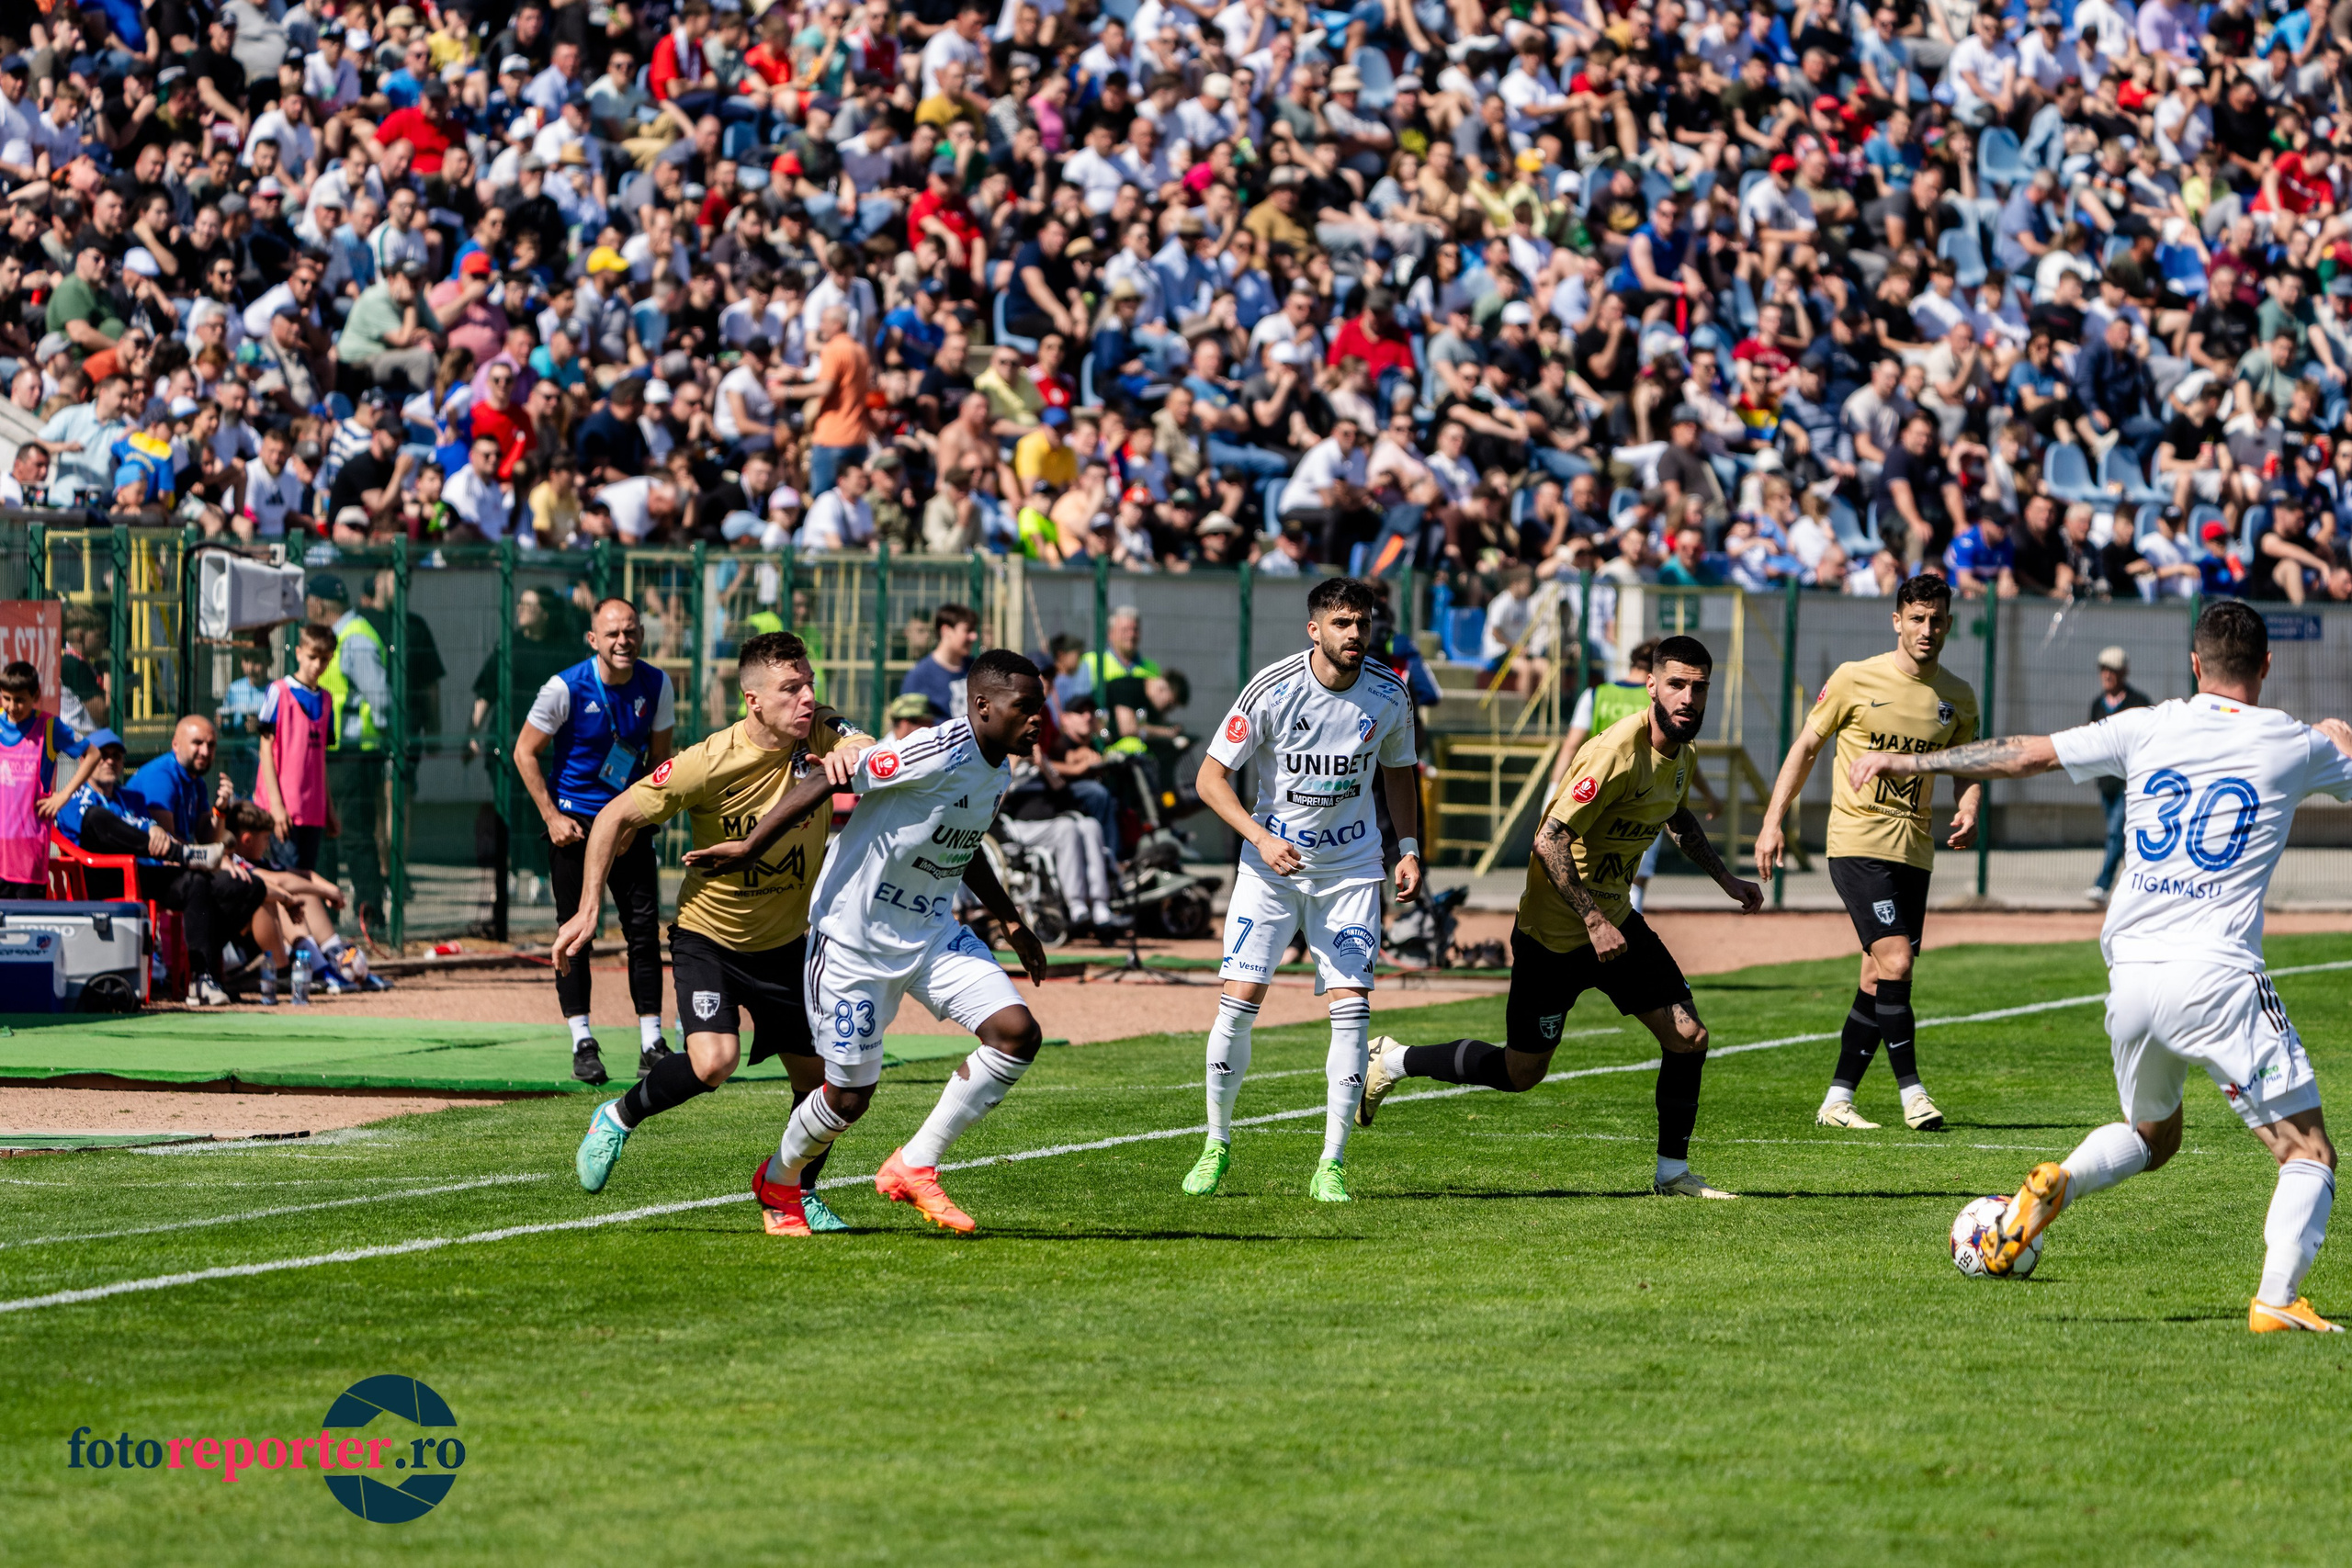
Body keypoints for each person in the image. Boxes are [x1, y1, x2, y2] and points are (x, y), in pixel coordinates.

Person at [1853, 602, 2352, 1332]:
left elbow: (2024, 752)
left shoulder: (2146, 724)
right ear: (2266, 666)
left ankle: (2057, 1183)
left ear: (2194, 664)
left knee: (2154, 1135)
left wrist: (1911, 759)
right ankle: (2277, 1299)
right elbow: (2339, 744)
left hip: (2133, 975)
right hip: (2215, 972)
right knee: (2307, 1151)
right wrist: (2336, 731)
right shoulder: (2289, 741)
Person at [1355, 636, 1764, 1200]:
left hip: (1616, 926)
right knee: (1522, 1073)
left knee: (1689, 1036)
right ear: (1651, 685)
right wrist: (1593, 920)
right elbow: (1547, 840)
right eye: (1677, 684)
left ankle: (1672, 1174)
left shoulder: (1682, 752)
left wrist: (1726, 880)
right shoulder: (1615, 752)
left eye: (1700, 687)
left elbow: (1677, 817)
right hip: (1555, 937)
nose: (1689, 697)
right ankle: (1394, 1060)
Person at [678, 649, 1056, 1236]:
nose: (1039, 719)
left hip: (932, 934)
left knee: (1016, 1034)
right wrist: (752, 846)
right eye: (1025, 707)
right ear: (982, 706)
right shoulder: (937, 748)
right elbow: (826, 778)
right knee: (848, 1100)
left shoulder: (998, 767)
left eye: (1041, 707)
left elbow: (964, 840)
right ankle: (780, 1180)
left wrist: (1008, 919)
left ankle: (916, 1163)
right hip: (852, 942)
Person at [554, 632, 872, 1232]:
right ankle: (617, 1117)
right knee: (713, 1060)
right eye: (791, 689)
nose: (807, 698)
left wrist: (854, 745)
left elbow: (862, 740)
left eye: (809, 684)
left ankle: (792, 1193)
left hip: (787, 945)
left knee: (828, 1088)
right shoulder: (709, 760)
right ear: (753, 699)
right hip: (710, 939)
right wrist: (588, 904)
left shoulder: (821, 729)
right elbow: (617, 812)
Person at [1183, 577, 1422, 1202]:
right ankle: (1216, 1143)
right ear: (1314, 628)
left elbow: (1400, 772)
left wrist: (1410, 847)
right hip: (1270, 869)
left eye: (1362, 623)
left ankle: (1332, 1162)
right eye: (1342, 623)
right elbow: (1210, 779)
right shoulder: (1272, 688)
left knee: (1351, 1009)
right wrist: (1259, 839)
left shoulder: (1390, 692)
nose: (1355, 634)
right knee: (1238, 1001)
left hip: (1351, 870)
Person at [1754, 576, 1982, 1133]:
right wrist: (1771, 822)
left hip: (1915, 852)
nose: (1927, 629)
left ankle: (1837, 1100)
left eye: (1938, 619)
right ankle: (1913, 1095)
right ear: (1897, 620)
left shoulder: (1959, 696)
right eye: (1917, 618)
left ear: (1949, 624)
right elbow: (1806, 748)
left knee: (1877, 975)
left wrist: (1969, 808)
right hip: (1857, 844)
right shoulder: (1854, 679)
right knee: (1898, 962)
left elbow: (1969, 767)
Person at [516, 599, 678, 1086]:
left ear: (642, 634)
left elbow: (660, 763)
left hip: (629, 826)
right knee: (575, 932)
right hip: (576, 826)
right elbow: (526, 752)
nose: (622, 641)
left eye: (630, 632)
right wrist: (552, 816)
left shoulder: (657, 683)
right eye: (612, 634)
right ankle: (582, 1040)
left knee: (644, 934)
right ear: (593, 640)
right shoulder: (564, 687)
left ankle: (652, 1041)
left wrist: (634, 823)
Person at [122, 715, 266, 1007]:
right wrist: (214, 860)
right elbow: (169, 847)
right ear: (176, 744)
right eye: (197, 743)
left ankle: (204, 973)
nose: (205, 751)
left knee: (251, 887)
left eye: (211, 745)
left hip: (184, 868)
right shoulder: (161, 776)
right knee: (204, 881)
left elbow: (206, 836)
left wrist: (220, 810)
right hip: (149, 871)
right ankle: (200, 976)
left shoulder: (196, 781)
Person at [311, 575, 393, 946]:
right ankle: (328, 918)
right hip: (330, 754)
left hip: (353, 756)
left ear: (319, 605)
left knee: (356, 838)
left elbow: (381, 700)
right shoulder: (339, 636)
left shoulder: (355, 638)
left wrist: (374, 740)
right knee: (326, 839)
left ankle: (369, 918)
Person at [0, 660, 100, 898]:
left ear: (36, 696)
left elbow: (93, 754)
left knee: (28, 925)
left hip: (29, 849)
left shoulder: (49, 726)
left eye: (20, 700)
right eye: (6, 698)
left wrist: (63, 796)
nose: (12, 706)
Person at [254, 623, 339, 874]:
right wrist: (276, 806)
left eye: (324, 659)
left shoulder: (326, 699)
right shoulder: (279, 692)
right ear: (299, 653)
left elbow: (320, 759)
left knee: (306, 878)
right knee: (288, 880)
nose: (317, 665)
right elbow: (265, 750)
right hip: (284, 810)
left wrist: (329, 809)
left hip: (312, 810)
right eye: (312, 657)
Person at [2086, 646, 2153, 908]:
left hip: (2130, 782)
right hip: (2106, 781)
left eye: (2112, 669)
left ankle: (2102, 885)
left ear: (2123, 672)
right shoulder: (2096, 704)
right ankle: (2139, 886)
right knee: (2125, 838)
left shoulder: (2139, 702)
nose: (2107, 674)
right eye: (2103, 669)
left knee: (2115, 832)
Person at [899, 603, 978, 720]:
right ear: (946, 631)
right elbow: (908, 725)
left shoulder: (976, 669)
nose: (974, 637)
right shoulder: (919, 675)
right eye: (968, 630)